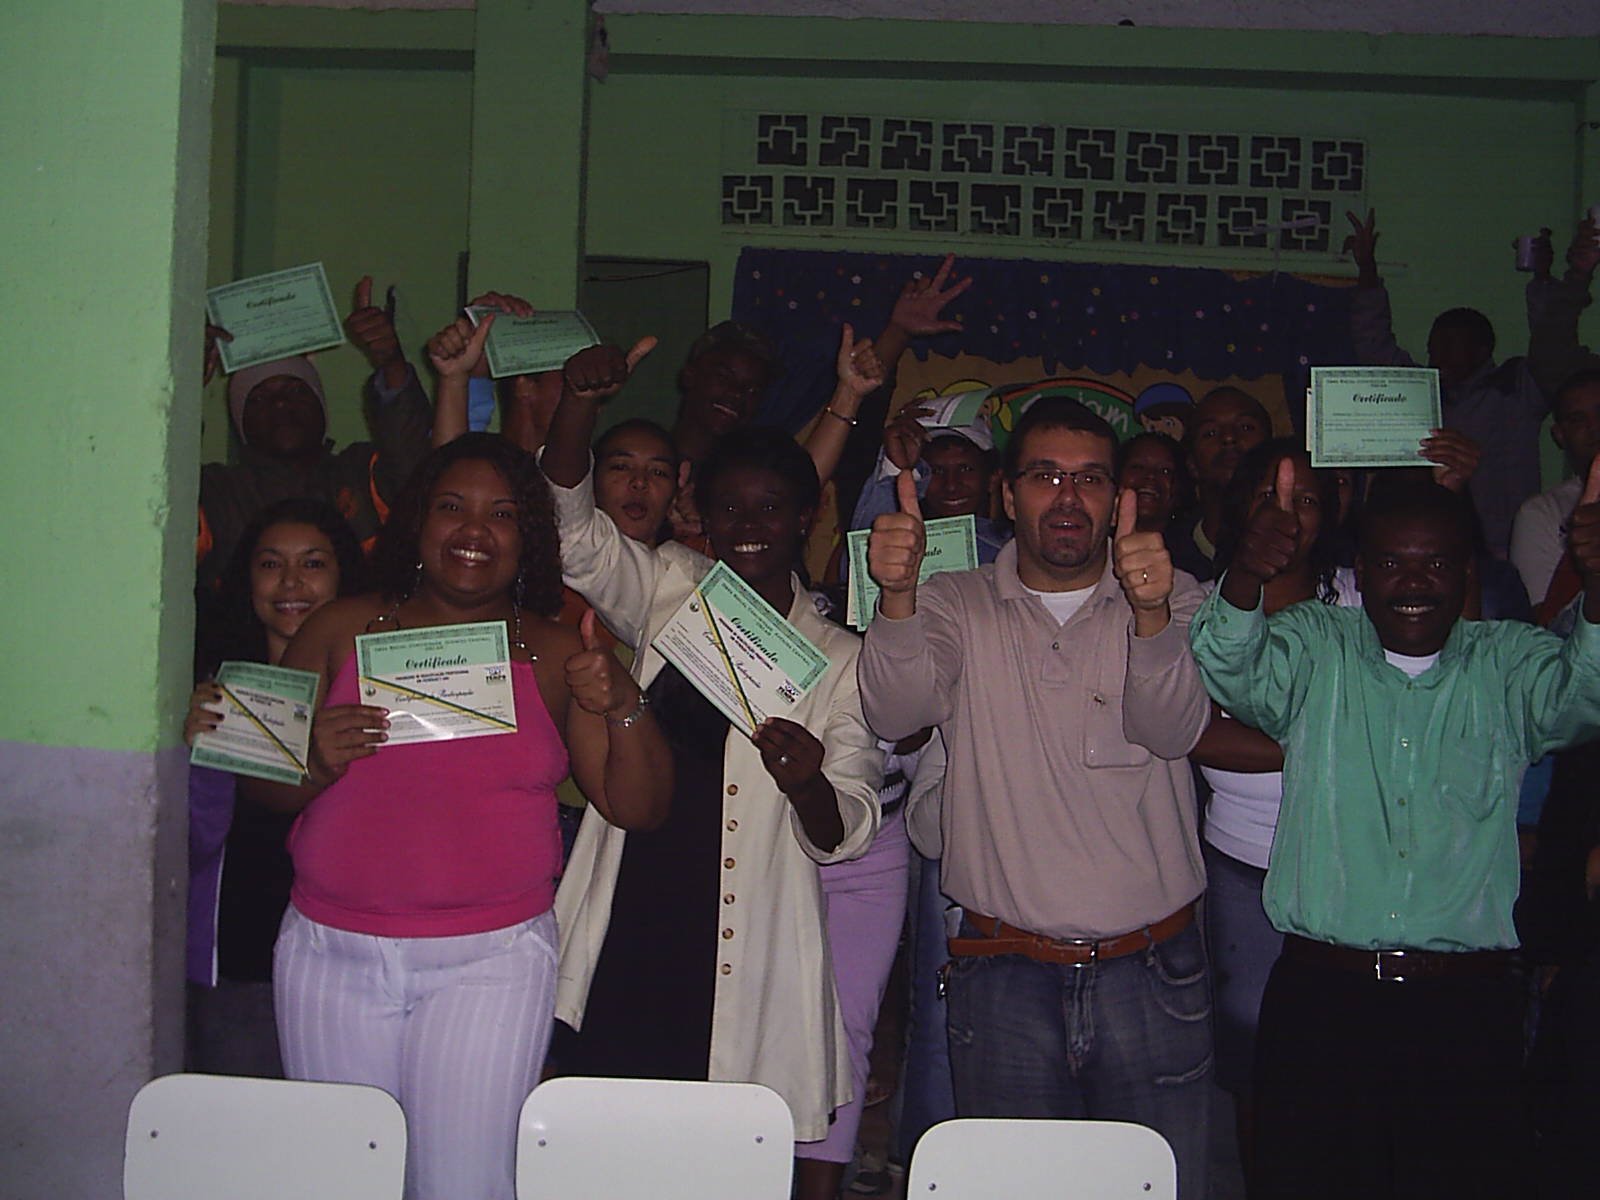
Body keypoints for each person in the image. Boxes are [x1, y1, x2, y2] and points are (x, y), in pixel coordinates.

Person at [252, 433, 672, 1200]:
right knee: (341, 1182)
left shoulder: (556, 652)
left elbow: (636, 807)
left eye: (501, 514)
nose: (474, 530)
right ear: (417, 520)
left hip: (490, 963)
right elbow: (263, 786)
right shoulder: (337, 629)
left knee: (465, 1184)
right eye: (452, 507)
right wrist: (311, 762)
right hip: (328, 954)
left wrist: (624, 702)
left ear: (528, 536)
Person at [1189, 472, 1600, 1200]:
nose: (1413, 582)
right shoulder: (1317, 644)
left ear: (1467, 571)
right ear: (1361, 568)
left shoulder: (1508, 662)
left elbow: (1584, 697)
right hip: (1323, 1002)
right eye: (1390, 562)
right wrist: (1247, 573)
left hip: (1465, 1012)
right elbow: (1231, 666)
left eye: (1435, 562)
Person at [540, 342, 883, 1199]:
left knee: (717, 1165)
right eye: (730, 507)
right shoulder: (670, 583)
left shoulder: (839, 658)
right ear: (703, 512)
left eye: (771, 506)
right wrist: (578, 407)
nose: (749, 524)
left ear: (807, 514)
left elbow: (847, 827)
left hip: (744, 945)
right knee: (604, 1157)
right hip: (633, 914)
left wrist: (808, 783)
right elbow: (574, 536)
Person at [858, 397, 1213, 1198]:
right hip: (1003, 971)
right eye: (1045, 476)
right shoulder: (953, 601)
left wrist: (1151, 615)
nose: (1067, 497)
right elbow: (896, 713)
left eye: (1090, 478)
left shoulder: (1176, 595)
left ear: (1118, 498)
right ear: (1007, 494)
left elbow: (1172, 729)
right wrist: (899, 596)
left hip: (1152, 971)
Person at [1187, 443, 1351, 1193]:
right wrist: (1330, 737)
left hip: (1352, 862)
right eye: (1268, 495)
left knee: (1343, 1055)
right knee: (1253, 1055)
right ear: (1238, 509)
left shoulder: (1363, 596)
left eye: (1307, 499)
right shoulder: (1198, 603)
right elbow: (1197, 734)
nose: (1288, 514)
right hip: (1244, 861)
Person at [184, 498, 366, 1078]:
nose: (290, 582)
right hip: (243, 958)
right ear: (246, 580)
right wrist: (191, 751)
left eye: (313, 563)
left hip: (360, 958)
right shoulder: (213, 692)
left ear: (344, 577)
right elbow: (192, 841)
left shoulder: (379, 691)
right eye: (270, 564)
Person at [197, 276, 434, 589]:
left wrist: (391, 362)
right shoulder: (217, 492)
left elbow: (413, 460)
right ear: (239, 422)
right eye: (259, 398)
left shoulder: (360, 472)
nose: (281, 404)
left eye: (296, 390)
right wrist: (184, 387)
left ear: (322, 406)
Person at [1344, 209, 1553, 558]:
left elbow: (1550, 346)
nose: (1437, 353)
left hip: (1504, 551)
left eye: (1450, 344)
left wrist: (1543, 279)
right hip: (1428, 547)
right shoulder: (1418, 393)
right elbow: (1373, 344)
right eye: (1433, 344)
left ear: (1482, 350)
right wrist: (1367, 269)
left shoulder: (1515, 389)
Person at [1168, 386, 1272, 581]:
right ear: (1192, 465)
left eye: (1246, 427)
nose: (1229, 438)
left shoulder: (1302, 550)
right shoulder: (1167, 557)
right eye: (1210, 433)